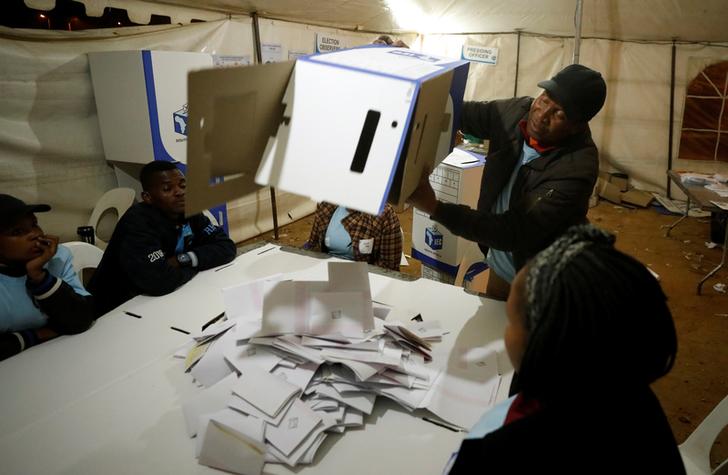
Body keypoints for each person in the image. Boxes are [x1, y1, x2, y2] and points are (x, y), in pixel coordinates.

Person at [446, 225, 685, 474]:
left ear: (544, 345)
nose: (505, 333)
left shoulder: (501, 453)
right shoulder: (635, 400)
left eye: (511, 320)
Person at [407, 64, 607, 300]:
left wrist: (433, 206)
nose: (542, 115)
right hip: (501, 268)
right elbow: (460, 113)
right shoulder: (515, 112)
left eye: (559, 114)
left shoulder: (575, 168)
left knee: (527, 334)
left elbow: (512, 231)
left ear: (577, 125)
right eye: (544, 99)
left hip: (542, 283)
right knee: (493, 324)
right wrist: (414, 73)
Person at [89, 161, 236, 316]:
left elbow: (226, 247)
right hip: (115, 311)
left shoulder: (188, 209)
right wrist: (201, 261)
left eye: (183, 185)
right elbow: (159, 281)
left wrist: (183, 259)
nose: (180, 192)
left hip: (162, 300)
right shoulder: (136, 223)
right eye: (167, 189)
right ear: (148, 197)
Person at [0, 194, 94, 361]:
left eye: (34, 224)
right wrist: (39, 334)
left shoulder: (58, 258)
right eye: (17, 231)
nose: (35, 234)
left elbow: (83, 317)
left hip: (67, 354)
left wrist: (39, 277)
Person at [304, 202, 402, 271]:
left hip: (364, 279)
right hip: (327, 271)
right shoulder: (327, 204)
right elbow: (313, 246)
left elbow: (389, 267)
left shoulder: (383, 213)